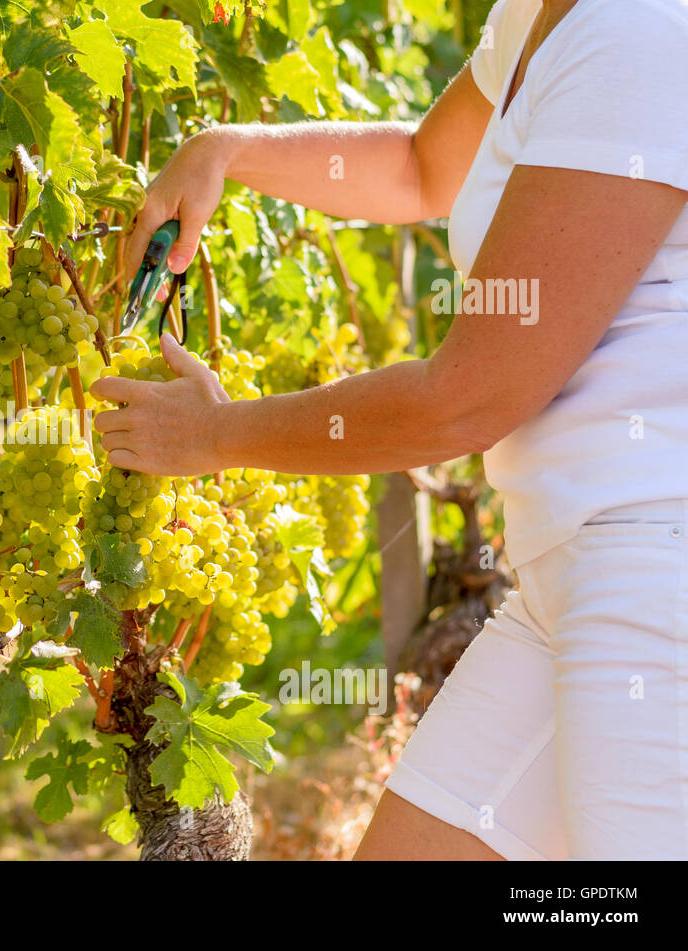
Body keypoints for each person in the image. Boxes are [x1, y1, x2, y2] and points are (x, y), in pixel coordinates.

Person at [90, 0, 688, 860]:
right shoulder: (535, 16)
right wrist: (227, 149)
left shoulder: (637, 31)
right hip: (573, 569)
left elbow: (466, 398)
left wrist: (216, 435)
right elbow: (417, 169)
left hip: (654, 575)